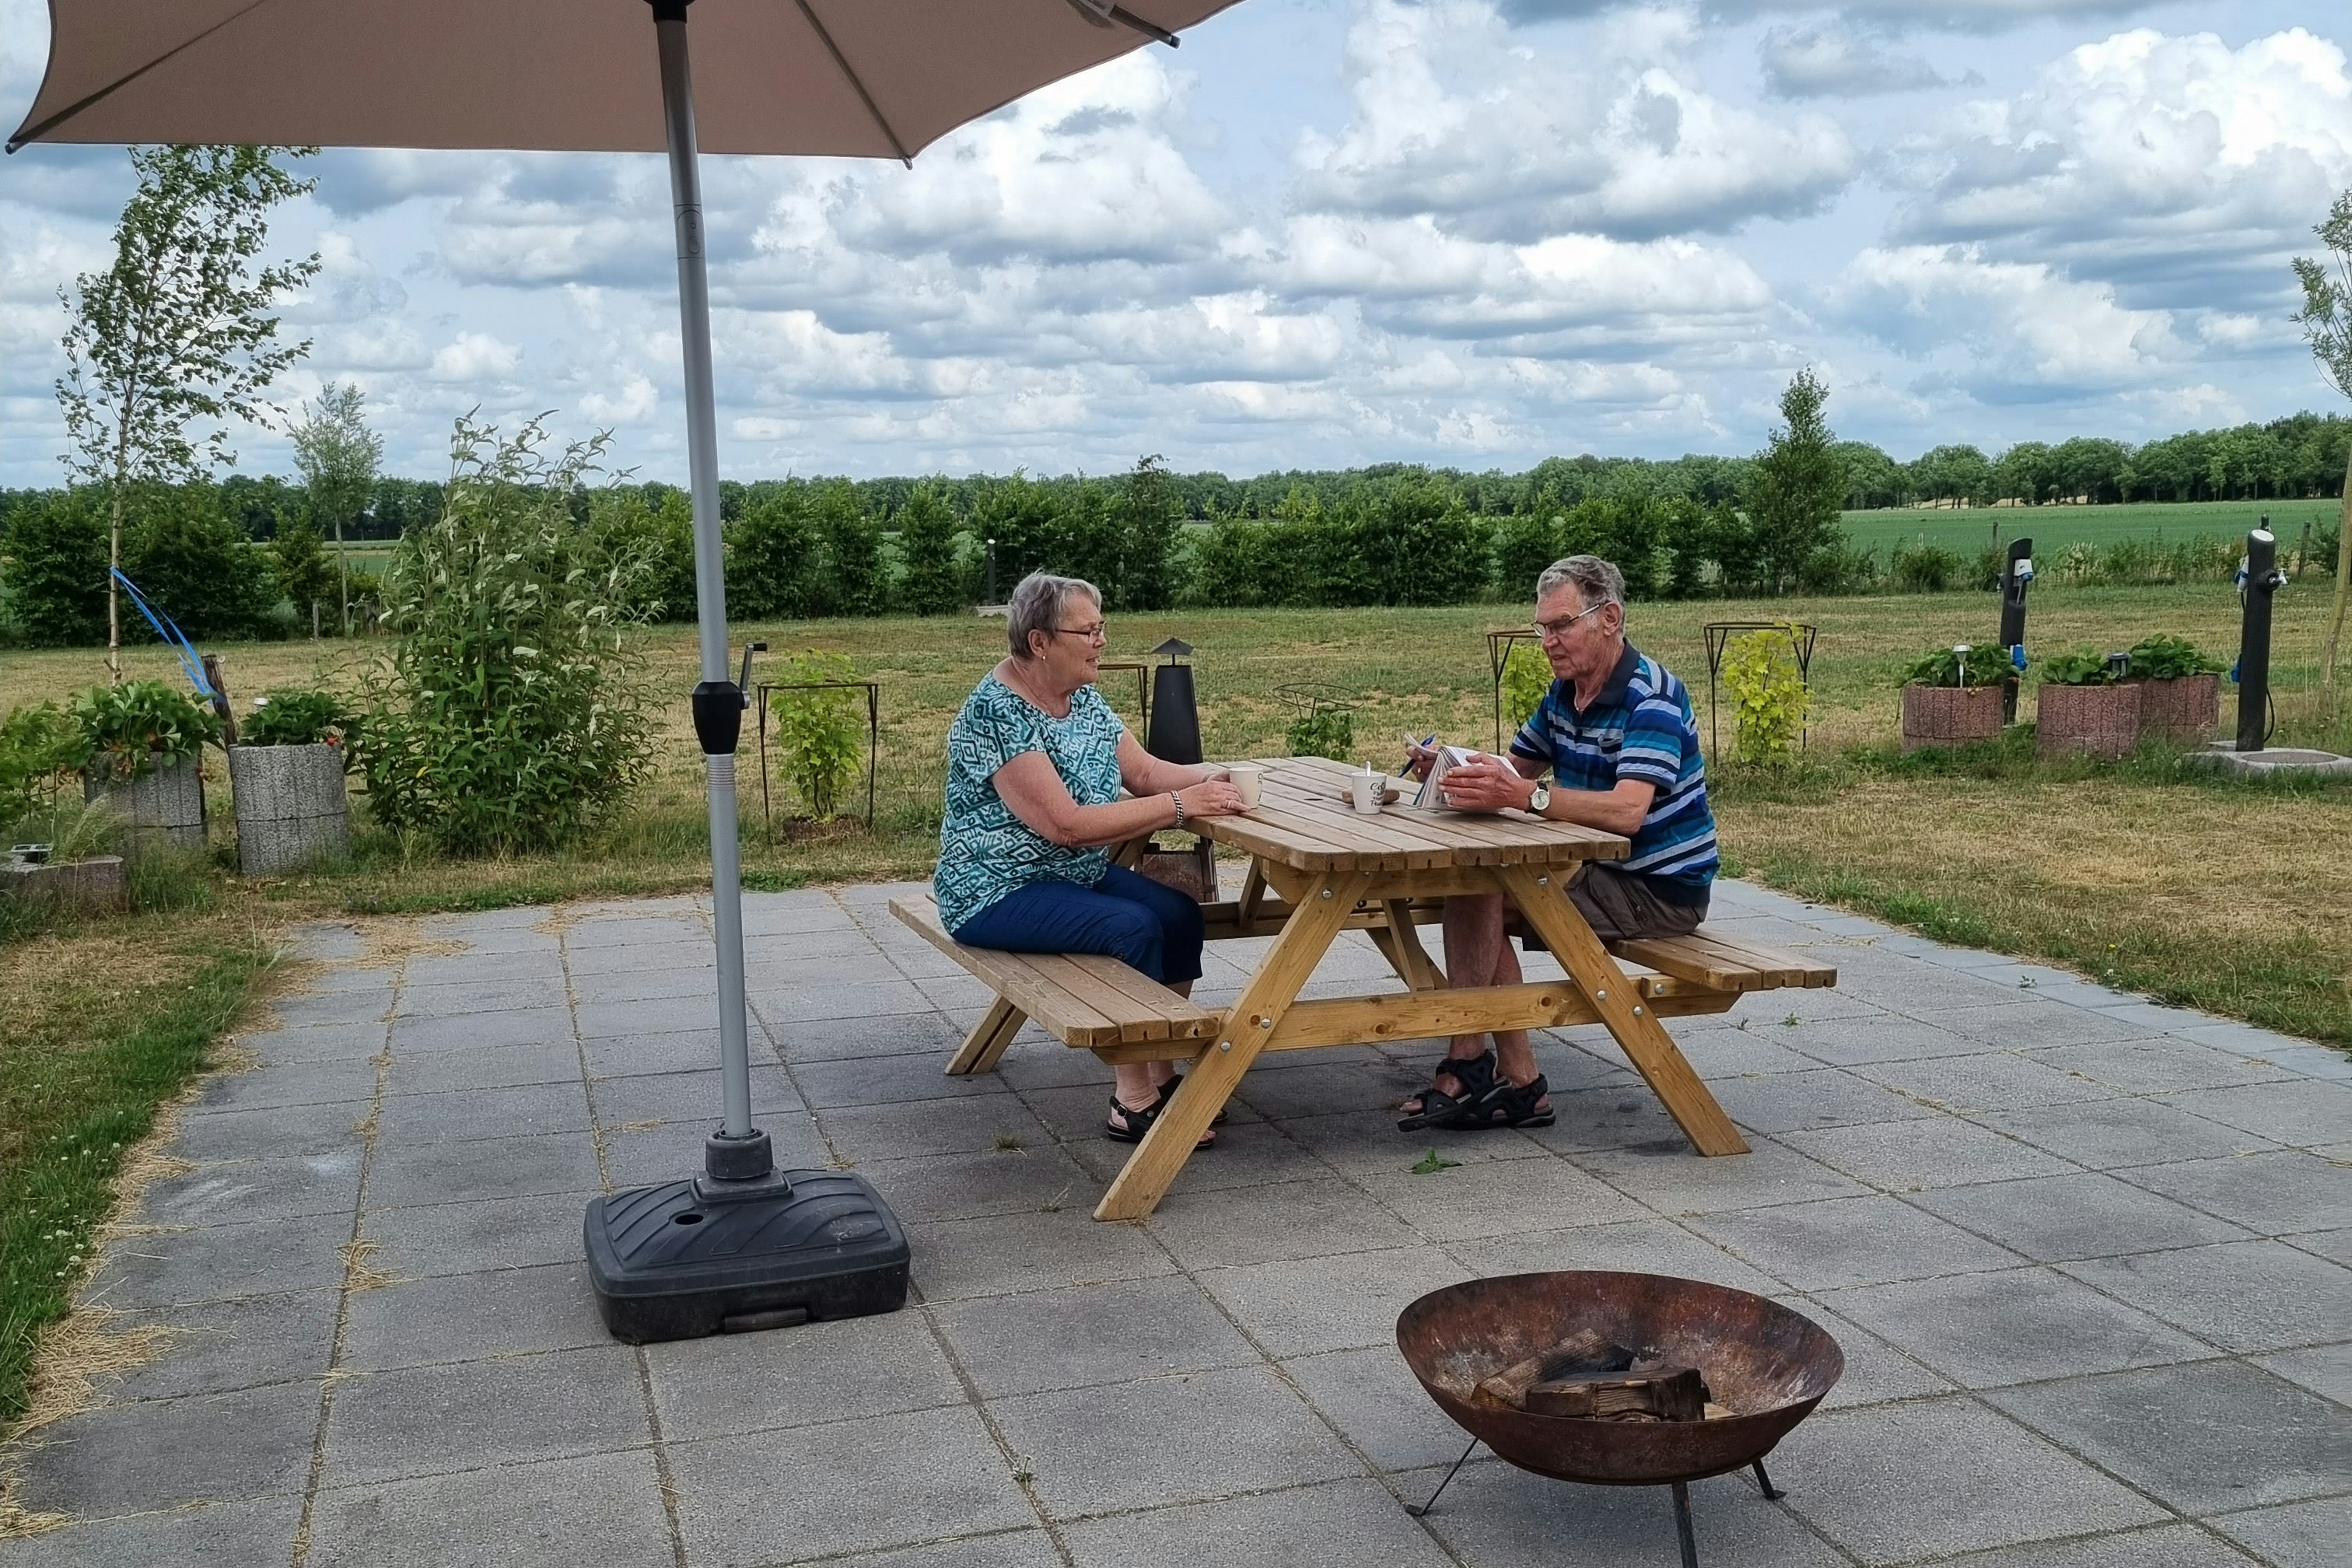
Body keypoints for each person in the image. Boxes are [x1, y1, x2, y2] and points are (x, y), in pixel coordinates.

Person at [1398, 554, 1718, 1132]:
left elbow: (1626, 812)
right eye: (1542, 628)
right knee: (1477, 885)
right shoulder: (1565, 692)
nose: (1547, 640)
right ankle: (1515, 1082)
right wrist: (1452, 765)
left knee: (1480, 889)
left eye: (1562, 625)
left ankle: (1476, 1065)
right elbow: (1514, 765)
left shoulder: (1653, 698)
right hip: (1593, 869)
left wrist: (1528, 797)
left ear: (1610, 617)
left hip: (1657, 887)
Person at [935, 570, 1247, 1146]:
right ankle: (1132, 1103)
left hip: (1069, 878)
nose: (1102, 640)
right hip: (995, 889)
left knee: (1178, 915)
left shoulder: (1081, 698)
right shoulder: (996, 713)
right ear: (1040, 642)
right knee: (1128, 927)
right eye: (1089, 631)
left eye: (1102, 627)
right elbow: (1067, 826)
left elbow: (1146, 773)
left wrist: (1217, 777)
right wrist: (1183, 806)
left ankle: (1163, 1069)